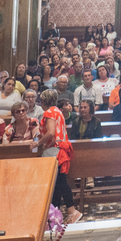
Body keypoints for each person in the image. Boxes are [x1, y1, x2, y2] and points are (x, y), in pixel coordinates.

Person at [36, 89, 81, 224]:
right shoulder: (57, 111)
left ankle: (72, 211)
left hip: (54, 151)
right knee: (56, 184)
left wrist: (38, 142)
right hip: (61, 147)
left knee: (60, 182)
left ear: (43, 101)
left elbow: (50, 133)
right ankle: (54, 215)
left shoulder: (49, 113)